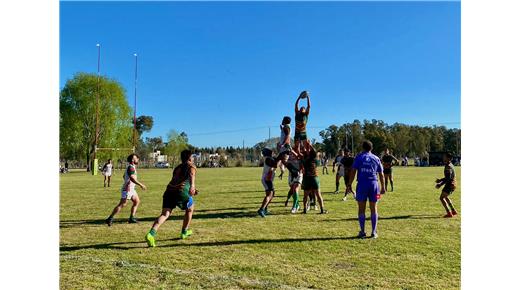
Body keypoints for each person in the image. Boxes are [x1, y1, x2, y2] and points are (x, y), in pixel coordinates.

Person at [145, 150, 198, 247]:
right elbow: (191, 175)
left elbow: (176, 179)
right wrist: (192, 187)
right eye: (192, 157)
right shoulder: (192, 166)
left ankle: (151, 234)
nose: (193, 158)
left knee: (165, 214)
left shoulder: (177, 167)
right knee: (190, 209)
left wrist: (192, 188)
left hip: (169, 191)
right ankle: (184, 232)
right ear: (189, 158)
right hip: (181, 192)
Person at [347, 140, 385, 239]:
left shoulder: (359, 157)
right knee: (374, 208)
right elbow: (381, 174)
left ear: (363, 147)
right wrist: (383, 187)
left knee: (361, 209)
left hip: (362, 185)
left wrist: (349, 184)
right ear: (371, 148)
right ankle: (373, 232)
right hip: (374, 185)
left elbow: (353, 170)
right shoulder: (376, 158)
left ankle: (363, 232)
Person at [105, 154, 147, 226]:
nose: (138, 159)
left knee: (137, 201)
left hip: (131, 189)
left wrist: (127, 182)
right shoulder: (131, 168)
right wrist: (140, 184)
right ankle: (110, 218)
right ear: (133, 160)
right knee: (122, 204)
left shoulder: (131, 167)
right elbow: (132, 178)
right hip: (127, 189)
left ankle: (131, 218)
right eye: (137, 158)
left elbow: (124, 176)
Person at [258, 148, 289, 217]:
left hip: (268, 179)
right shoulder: (268, 159)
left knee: (272, 194)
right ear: (268, 153)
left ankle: (265, 208)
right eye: (271, 152)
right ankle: (261, 209)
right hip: (267, 179)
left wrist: (281, 155)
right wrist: (280, 157)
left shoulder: (270, 158)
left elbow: (277, 159)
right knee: (269, 194)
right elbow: (275, 165)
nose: (273, 153)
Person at [301, 140, 327, 214]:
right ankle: (322, 210)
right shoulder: (313, 158)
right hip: (314, 178)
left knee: (305, 195)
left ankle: (305, 210)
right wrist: (309, 144)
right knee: (318, 194)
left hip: (306, 178)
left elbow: (304, 151)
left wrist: (304, 145)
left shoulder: (304, 158)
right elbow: (313, 151)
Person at [435, 152, 458, 218]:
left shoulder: (448, 166)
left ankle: (449, 213)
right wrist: (440, 180)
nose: (443, 158)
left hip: (450, 184)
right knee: (446, 196)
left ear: (448, 158)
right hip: (453, 184)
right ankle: (453, 211)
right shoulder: (450, 164)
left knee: (442, 198)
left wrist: (440, 184)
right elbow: (448, 177)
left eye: (444, 156)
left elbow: (448, 178)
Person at [284, 148, 303, 213]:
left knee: (295, 189)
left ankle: (294, 207)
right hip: (291, 176)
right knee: (293, 191)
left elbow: (299, 159)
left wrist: (293, 151)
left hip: (299, 174)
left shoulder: (298, 156)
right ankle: (297, 205)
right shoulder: (288, 158)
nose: (291, 154)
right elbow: (285, 163)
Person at [294, 91, 311, 155]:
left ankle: (308, 158)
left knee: (306, 147)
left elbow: (309, 106)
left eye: (303, 108)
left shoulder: (306, 115)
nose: (301, 109)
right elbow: (296, 105)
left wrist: (308, 97)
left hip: (303, 132)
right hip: (297, 132)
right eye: (301, 108)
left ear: (305, 110)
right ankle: (299, 158)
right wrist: (299, 97)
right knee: (296, 148)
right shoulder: (297, 114)